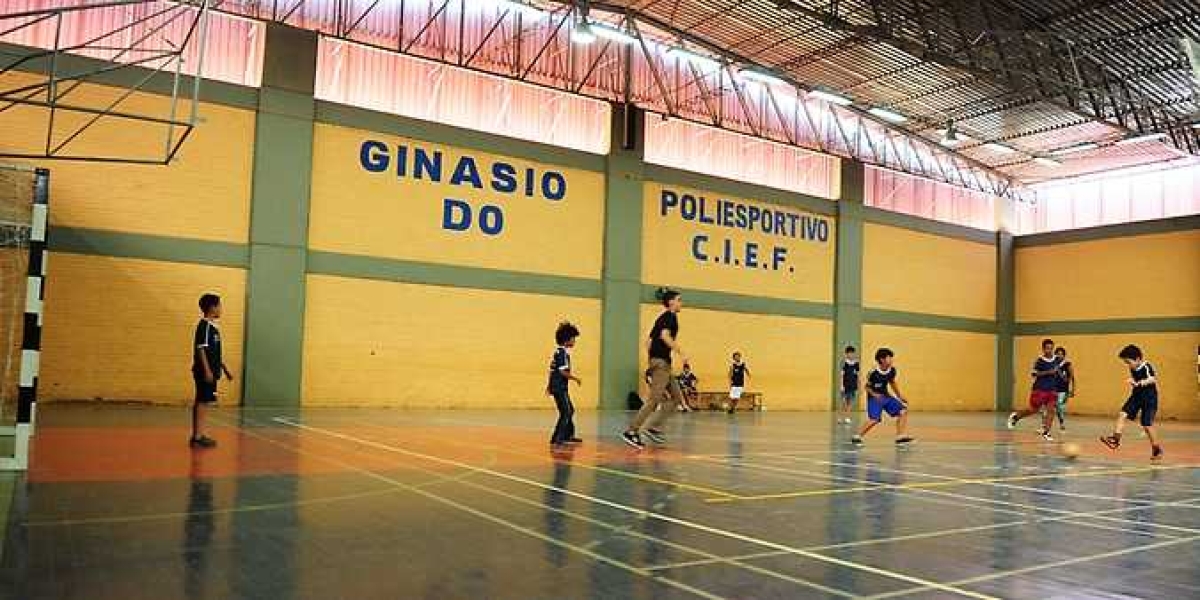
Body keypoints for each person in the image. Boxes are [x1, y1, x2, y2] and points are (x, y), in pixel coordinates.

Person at [622, 289, 686, 449]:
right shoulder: (670, 317)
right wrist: (681, 352)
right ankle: (631, 431)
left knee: (677, 398)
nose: (681, 303)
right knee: (654, 400)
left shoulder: (661, 318)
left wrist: (651, 361)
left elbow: (649, 342)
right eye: (679, 300)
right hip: (661, 364)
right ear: (671, 302)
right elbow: (664, 336)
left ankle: (654, 427)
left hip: (661, 363)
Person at [1100, 345, 1164, 461]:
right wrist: (1133, 382)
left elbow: (1152, 379)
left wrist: (1138, 383)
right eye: (1126, 363)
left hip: (1149, 399)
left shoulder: (1146, 366)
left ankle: (1156, 449)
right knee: (1122, 414)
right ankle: (1115, 439)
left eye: (1129, 362)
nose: (1128, 365)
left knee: (1146, 425)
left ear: (1138, 359)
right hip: (1136, 396)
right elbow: (1136, 380)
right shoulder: (1132, 368)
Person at [190, 293, 232, 449]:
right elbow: (201, 349)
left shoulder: (213, 328)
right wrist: (207, 371)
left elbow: (213, 352)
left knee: (204, 402)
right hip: (204, 372)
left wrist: (224, 368)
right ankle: (197, 437)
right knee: (202, 402)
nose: (221, 309)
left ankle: (199, 434)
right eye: (219, 305)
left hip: (212, 371)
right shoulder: (205, 326)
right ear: (212, 307)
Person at [852, 348, 913, 446]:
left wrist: (899, 396)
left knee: (903, 411)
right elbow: (866, 387)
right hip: (874, 398)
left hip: (886, 396)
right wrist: (875, 395)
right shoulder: (873, 372)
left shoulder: (892, 370)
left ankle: (900, 436)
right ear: (882, 359)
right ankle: (857, 436)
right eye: (889, 358)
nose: (891, 360)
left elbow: (892, 382)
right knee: (874, 419)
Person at [1007, 338, 1061, 441]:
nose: (1049, 350)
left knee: (1051, 410)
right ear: (1043, 349)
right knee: (1033, 410)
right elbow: (1034, 374)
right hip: (1040, 389)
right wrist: (1048, 372)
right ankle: (1016, 417)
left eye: (1051, 348)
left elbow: (1060, 369)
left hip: (1052, 389)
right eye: (1047, 349)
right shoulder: (1039, 361)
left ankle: (1046, 432)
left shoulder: (1056, 359)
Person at [547, 321, 583, 449]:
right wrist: (575, 378)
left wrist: (548, 386)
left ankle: (568, 435)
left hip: (559, 387)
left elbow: (552, 370)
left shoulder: (559, 352)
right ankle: (557, 438)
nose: (574, 341)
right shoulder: (562, 353)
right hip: (559, 388)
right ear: (567, 339)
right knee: (566, 412)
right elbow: (562, 372)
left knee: (569, 410)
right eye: (573, 338)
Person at [1053, 347, 1075, 432]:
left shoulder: (1067, 364)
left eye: (1061, 354)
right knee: (1047, 407)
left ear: (1064, 355)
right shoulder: (1053, 364)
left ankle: (1062, 424)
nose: (1059, 355)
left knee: (1059, 407)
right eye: (1057, 354)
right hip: (1053, 389)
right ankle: (1044, 426)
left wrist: (1073, 389)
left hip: (1063, 390)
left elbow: (1072, 378)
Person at [838, 345, 860, 425]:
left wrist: (858, 385)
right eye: (849, 353)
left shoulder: (856, 363)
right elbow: (841, 375)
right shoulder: (844, 363)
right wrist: (841, 385)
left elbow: (857, 375)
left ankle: (847, 417)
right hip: (845, 385)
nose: (851, 355)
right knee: (843, 402)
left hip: (853, 385)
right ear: (846, 354)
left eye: (852, 353)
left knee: (850, 402)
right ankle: (840, 417)